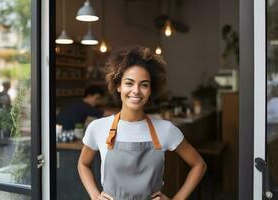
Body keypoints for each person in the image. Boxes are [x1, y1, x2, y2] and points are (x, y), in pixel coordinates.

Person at [78, 46, 207, 200]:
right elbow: (83, 164)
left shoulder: (166, 130)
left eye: (144, 85)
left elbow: (199, 165)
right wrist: (94, 195)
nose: (136, 91)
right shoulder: (98, 128)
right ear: (119, 86)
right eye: (129, 83)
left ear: (151, 90)